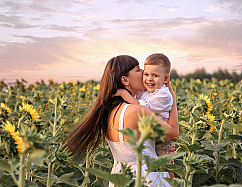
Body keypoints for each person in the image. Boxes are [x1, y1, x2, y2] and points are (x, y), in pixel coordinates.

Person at [63, 55, 179, 187]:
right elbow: (173, 133)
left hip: (119, 178)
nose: (143, 74)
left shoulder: (108, 111)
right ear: (125, 80)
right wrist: (172, 96)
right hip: (146, 178)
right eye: (138, 70)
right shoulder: (137, 111)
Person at [114, 53, 175, 177]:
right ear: (125, 80)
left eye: (155, 75)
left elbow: (140, 106)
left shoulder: (162, 94)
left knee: (165, 166)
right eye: (144, 73)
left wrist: (123, 94)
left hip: (161, 139)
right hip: (153, 142)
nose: (147, 78)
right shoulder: (142, 96)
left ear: (166, 78)